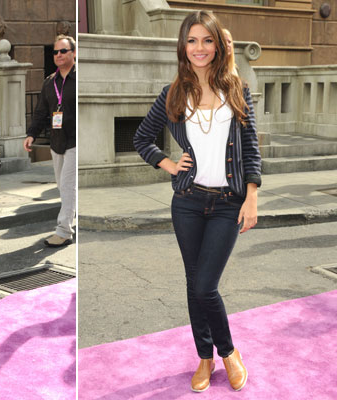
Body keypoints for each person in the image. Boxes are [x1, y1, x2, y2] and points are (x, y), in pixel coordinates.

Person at [134, 10, 261, 393]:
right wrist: (170, 164)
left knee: (206, 285)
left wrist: (251, 196)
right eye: (192, 40)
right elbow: (142, 138)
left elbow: (251, 148)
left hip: (227, 203)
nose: (199, 48)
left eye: (207, 40)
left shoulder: (236, 90)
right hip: (188, 201)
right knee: (195, 284)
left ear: (218, 45)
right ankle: (205, 357)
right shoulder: (173, 93)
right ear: (183, 46)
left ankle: (229, 352)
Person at [23, 35, 76, 247]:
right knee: (63, 186)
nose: (58, 55)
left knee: (68, 185)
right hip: (57, 141)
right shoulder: (49, 82)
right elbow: (41, 112)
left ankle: (64, 231)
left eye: (63, 51)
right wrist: (31, 134)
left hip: (76, 141)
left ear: (74, 53)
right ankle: (71, 218)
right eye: (55, 52)